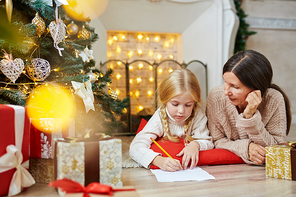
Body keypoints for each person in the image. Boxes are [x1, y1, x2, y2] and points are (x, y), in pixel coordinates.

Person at [206, 49, 291, 165]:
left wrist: (250, 118)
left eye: (234, 87)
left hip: (263, 174)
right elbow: (215, 140)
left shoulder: (274, 99)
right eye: (225, 82)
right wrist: (246, 147)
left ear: (256, 88)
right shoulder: (216, 96)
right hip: (227, 170)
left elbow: (278, 149)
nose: (226, 91)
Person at [129, 69, 214, 172]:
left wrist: (196, 144)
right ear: (165, 100)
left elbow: (209, 142)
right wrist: (158, 160)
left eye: (188, 105)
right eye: (175, 104)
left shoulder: (198, 114)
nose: (181, 111)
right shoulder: (160, 116)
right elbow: (135, 147)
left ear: (194, 102)